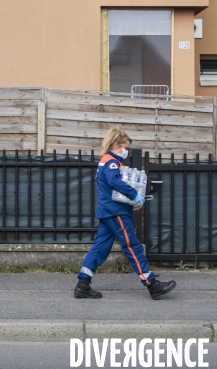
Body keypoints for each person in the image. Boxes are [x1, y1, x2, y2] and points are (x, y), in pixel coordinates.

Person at [74, 126, 176, 300]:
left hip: (109, 211)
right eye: (126, 147)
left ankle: (83, 284)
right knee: (132, 246)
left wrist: (132, 202)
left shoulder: (107, 160)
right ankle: (151, 284)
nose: (126, 151)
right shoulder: (112, 162)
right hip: (116, 212)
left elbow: (112, 188)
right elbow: (114, 182)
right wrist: (134, 195)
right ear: (116, 145)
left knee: (100, 248)